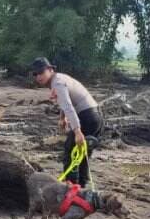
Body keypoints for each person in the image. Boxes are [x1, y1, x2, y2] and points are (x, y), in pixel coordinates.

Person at [31, 57, 104, 187]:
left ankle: (70, 189)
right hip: (95, 116)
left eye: (41, 72)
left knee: (70, 153)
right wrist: (62, 118)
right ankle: (81, 188)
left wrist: (77, 131)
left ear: (50, 69)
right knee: (82, 156)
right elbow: (65, 102)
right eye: (35, 74)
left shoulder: (57, 83)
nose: (39, 76)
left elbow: (69, 106)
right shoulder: (59, 79)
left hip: (87, 117)